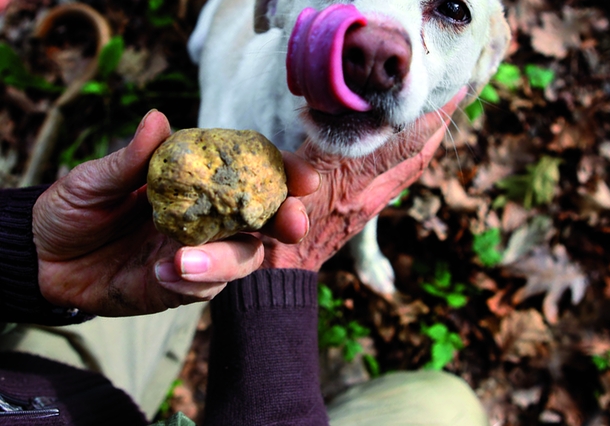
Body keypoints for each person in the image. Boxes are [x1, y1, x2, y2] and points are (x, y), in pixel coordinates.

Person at [0, 93, 488, 425]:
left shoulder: (69, 257)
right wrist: (281, 280)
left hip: (32, 379)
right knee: (449, 407)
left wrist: (28, 253)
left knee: (181, 271)